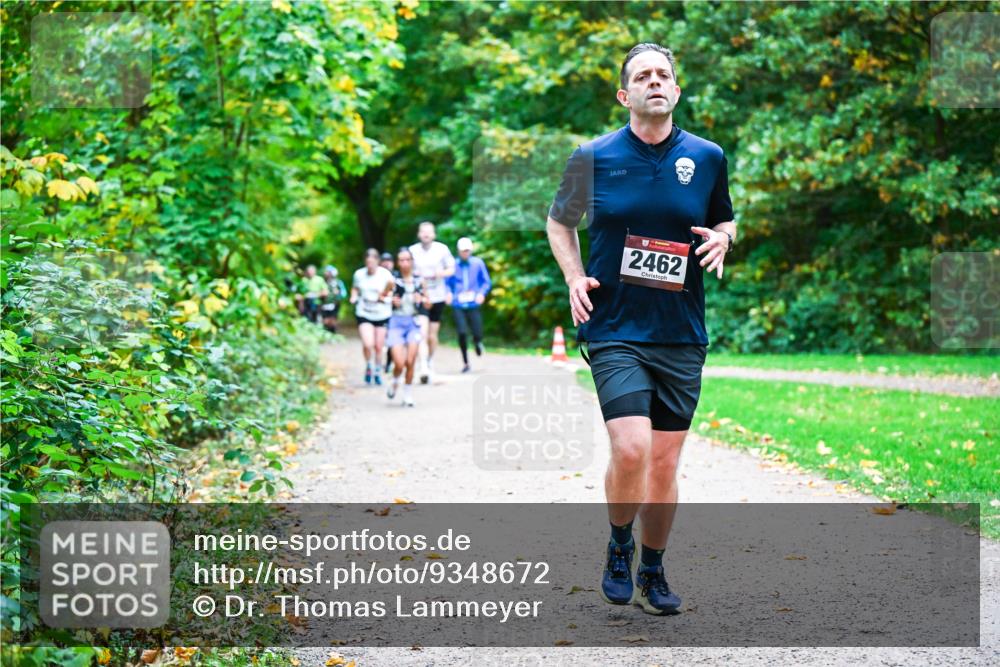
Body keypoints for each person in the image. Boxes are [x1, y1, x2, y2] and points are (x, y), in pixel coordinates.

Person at [546, 43, 736, 616]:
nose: (655, 82)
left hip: (680, 331)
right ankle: (619, 544)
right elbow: (559, 223)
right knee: (630, 448)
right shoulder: (592, 156)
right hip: (614, 327)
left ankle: (652, 567)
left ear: (676, 91)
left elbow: (723, 215)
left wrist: (725, 236)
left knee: (663, 463)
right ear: (624, 95)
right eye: (642, 76)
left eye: (664, 75)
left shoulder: (706, 157)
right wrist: (575, 277)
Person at [409, 222, 455, 384]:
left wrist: (440, 273)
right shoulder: (413, 251)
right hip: (421, 296)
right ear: (419, 234)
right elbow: (406, 270)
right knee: (422, 332)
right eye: (423, 232)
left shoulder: (442, 249)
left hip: (438, 296)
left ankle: (429, 360)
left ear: (434, 234)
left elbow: (452, 269)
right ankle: (423, 367)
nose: (426, 235)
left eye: (429, 232)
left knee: (432, 335)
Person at [382, 247, 429, 407]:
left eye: (407, 260)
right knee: (399, 362)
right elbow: (381, 297)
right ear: (397, 262)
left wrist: (421, 299)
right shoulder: (392, 281)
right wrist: (391, 300)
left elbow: (428, 303)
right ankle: (395, 380)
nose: (405, 263)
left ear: (412, 261)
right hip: (396, 323)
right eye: (401, 260)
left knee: (411, 361)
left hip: (413, 323)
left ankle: (407, 395)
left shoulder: (419, 281)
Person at [445, 237, 491, 373]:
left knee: (477, 331)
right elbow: (447, 283)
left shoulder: (478, 263)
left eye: (468, 251)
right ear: (458, 251)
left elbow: (486, 282)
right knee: (462, 333)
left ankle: (477, 343)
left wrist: (481, 293)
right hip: (458, 304)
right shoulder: (453, 265)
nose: (466, 253)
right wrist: (448, 293)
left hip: (473, 303)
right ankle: (466, 363)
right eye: (463, 251)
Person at [349, 249, 394, 385]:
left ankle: (378, 370)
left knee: (379, 346)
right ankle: (369, 364)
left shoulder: (385, 274)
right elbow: (355, 288)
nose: (370, 265)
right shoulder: (359, 274)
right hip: (364, 313)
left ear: (377, 262)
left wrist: (384, 296)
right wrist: (354, 296)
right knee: (368, 343)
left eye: (373, 262)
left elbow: (392, 290)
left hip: (382, 313)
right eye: (368, 262)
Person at [321, 265, 347, 333]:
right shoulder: (322, 282)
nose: (326, 273)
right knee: (325, 321)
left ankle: (333, 333)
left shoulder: (338, 282)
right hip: (324, 303)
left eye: (327, 272)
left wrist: (338, 294)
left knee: (332, 320)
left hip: (335, 303)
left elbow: (344, 294)